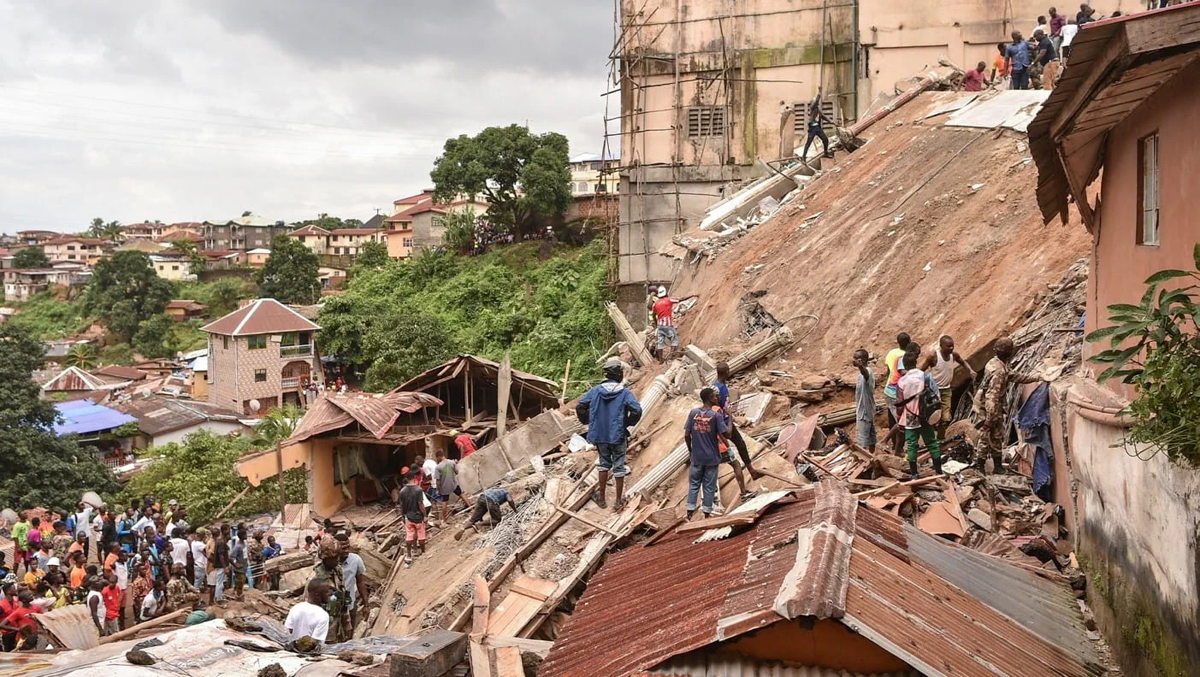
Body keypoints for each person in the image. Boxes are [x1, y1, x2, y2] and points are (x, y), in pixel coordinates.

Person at [576, 357, 643, 509]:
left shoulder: (595, 391)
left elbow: (580, 406)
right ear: (619, 374)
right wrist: (628, 422)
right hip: (618, 434)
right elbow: (637, 410)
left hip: (600, 435)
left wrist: (589, 421)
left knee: (603, 464)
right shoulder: (624, 393)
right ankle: (618, 502)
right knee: (619, 466)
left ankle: (602, 499)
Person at [972, 336, 1044, 472]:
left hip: (992, 406)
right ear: (1009, 353)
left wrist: (1037, 377)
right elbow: (992, 397)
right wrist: (989, 418)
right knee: (986, 436)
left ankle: (997, 466)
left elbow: (1014, 376)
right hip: (989, 408)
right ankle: (980, 466)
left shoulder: (994, 363)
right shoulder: (999, 372)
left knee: (997, 435)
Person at [895, 350, 943, 480]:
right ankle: (939, 471)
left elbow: (899, 404)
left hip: (910, 417)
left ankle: (914, 474)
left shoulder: (901, 382)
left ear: (904, 365)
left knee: (911, 445)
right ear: (916, 362)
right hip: (926, 415)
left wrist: (899, 420)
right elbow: (936, 396)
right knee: (932, 443)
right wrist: (937, 414)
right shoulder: (926, 377)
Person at [919, 335, 977, 434]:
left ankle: (941, 436)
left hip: (946, 390)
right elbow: (921, 371)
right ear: (941, 346)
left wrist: (970, 370)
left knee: (946, 418)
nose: (951, 348)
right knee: (933, 416)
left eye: (952, 346)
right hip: (934, 391)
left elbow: (963, 362)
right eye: (948, 346)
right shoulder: (933, 357)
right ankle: (932, 434)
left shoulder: (954, 355)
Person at [684, 388, 728, 520]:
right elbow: (727, 434)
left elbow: (687, 435)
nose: (717, 398)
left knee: (694, 484)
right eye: (715, 396)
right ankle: (707, 513)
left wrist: (691, 450)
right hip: (711, 457)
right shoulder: (716, 416)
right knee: (709, 486)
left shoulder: (693, 413)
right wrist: (730, 417)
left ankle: (689, 512)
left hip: (697, 456)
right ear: (709, 398)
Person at [714, 361, 761, 480]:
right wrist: (728, 415)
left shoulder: (718, 385)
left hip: (723, 421)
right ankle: (751, 471)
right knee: (739, 445)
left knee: (738, 445)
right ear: (727, 372)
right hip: (724, 422)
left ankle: (750, 470)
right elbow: (719, 407)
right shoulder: (719, 389)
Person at [312, 536, 350, 643]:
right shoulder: (315, 579)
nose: (337, 559)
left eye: (338, 555)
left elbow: (343, 599)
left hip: (338, 630)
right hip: (323, 634)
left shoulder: (337, 571)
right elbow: (309, 610)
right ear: (325, 557)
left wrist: (347, 624)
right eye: (334, 557)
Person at [882, 332, 912, 455]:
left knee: (893, 419)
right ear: (909, 342)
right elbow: (905, 374)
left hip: (889, 388)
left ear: (898, 342)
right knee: (901, 421)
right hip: (898, 392)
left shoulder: (891, 353)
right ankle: (896, 447)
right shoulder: (906, 357)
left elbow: (888, 371)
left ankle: (895, 445)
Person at [286, 578, 331, 645]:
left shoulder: (296, 608)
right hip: (310, 651)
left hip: (293, 648)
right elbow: (314, 642)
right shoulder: (323, 615)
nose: (329, 594)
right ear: (317, 595)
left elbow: (288, 630)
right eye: (326, 592)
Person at [336, 534, 368, 627]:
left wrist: (366, 605)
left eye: (348, 547)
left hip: (350, 604)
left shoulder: (355, 560)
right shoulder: (330, 563)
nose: (346, 551)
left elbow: (360, 582)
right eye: (343, 548)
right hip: (334, 607)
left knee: (350, 631)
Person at [650, 286, 688, 360]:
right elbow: (681, 299)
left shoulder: (655, 304)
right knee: (674, 339)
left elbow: (653, 315)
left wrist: (656, 324)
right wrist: (692, 296)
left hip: (660, 325)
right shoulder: (668, 300)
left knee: (660, 342)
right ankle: (670, 356)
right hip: (668, 324)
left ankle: (661, 360)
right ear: (665, 293)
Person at [398, 471, 428, 562]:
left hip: (408, 517)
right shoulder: (418, 490)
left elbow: (402, 505)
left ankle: (409, 554)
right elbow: (420, 504)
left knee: (409, 536)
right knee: (421, 535)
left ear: (406, 479)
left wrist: (403, 516)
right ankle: (423, 552)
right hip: (418, 517)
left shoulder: (402, 491)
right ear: (414, 478)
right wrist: (425, 515)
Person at [434, 450, 471, 523]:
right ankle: (471, 508)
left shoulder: (438, 467)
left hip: (444, 487)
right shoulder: (452, 462)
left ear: (439, 457)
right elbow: (457, 472)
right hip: (454, 484)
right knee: (461, 494)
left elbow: (438, 480)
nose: (437, 459)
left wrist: (437, 489)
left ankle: (444, 520)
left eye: (437, 458)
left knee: (444, 502)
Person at [853, 349, 878, 453]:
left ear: (862, 360)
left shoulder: (867, 371)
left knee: (862, 443)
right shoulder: (862, 373)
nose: (853, 360)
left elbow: (866, 374)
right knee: (872, 440)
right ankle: (872, 458)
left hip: (864, 413)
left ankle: (864, 460)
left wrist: (860, 367)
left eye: (855, 358)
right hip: (868, 411)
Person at [802, 87, 835, 161]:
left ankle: (825, 153)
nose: (816, 103)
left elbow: (823, 116)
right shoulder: (812, 108)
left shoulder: (817, 110)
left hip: (817, 128)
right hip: (812, 129)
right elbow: (816, 101)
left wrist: (831, 121)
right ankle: (803, 157)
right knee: (808, 143)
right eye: (815, 102)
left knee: (825, 139)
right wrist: (819, 92)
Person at [230, 528, 247, 601]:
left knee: (240, 581)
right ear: (242, 536)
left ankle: (235, 591)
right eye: (245, 534)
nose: (246, 536)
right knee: (240, 582)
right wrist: (235, 565)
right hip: (239, 569)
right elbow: (230, 557)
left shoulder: (244, 544)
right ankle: (239, 597)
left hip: (244, 567)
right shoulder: (238, 546)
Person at [190, 528, 208, 592]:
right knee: (197, 582)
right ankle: (195, 594)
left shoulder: (194, 542)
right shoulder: (199, 544)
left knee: (200, 579)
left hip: (198, 563)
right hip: (200, 564)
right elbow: (207, 549)